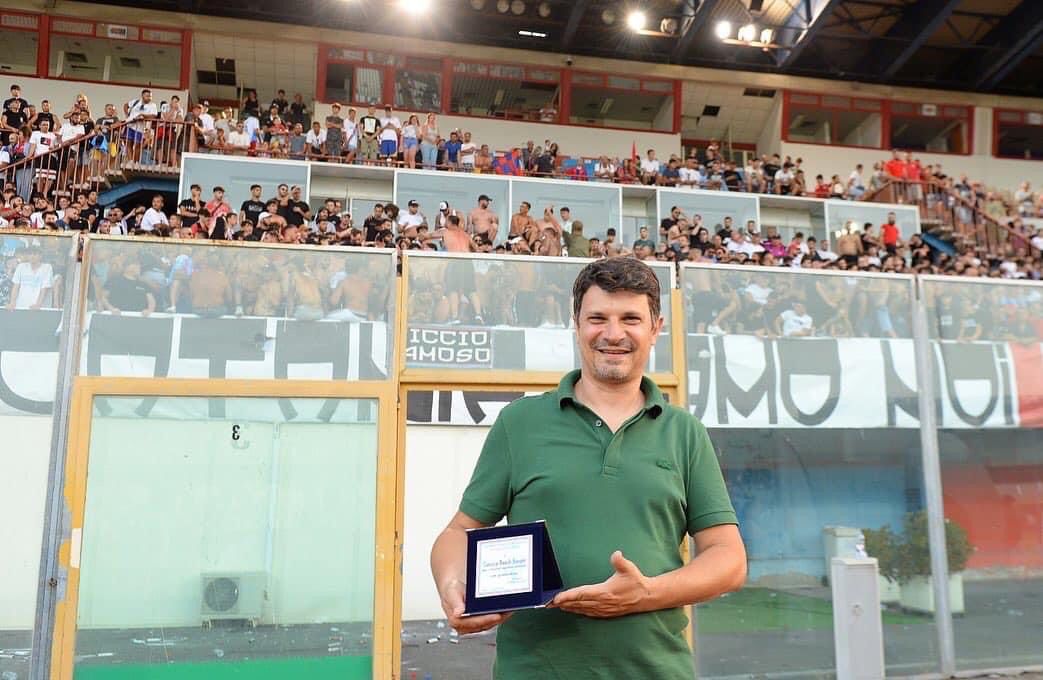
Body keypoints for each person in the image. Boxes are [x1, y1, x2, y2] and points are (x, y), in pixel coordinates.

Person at [430, 257, 745, 679]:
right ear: (576, 324)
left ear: (655, 328)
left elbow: (729, 557)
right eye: (598, 318)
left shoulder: (684, 432)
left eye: (630, 318)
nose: (613, 334)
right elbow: (458, 532)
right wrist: (453, 587)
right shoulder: (520, 423)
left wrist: (645, 594)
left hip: (657, 671)